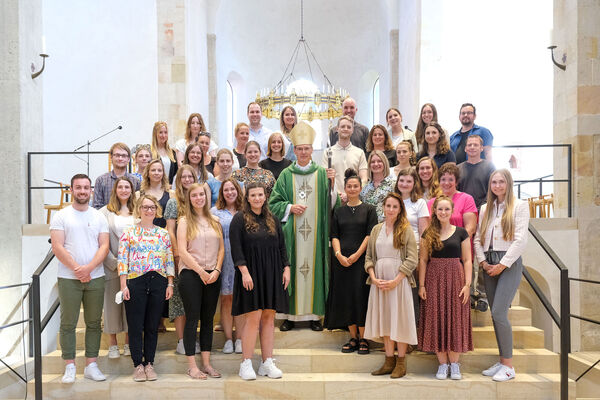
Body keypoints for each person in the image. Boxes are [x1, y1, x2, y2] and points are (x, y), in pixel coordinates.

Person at [269, 122, 339, 331]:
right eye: (299, 148)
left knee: (313, 270)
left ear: (311, 150)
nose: (302, 152)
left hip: (316, 235)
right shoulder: (285, 175)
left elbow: (332, 203)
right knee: (293, 270)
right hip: (292, 236)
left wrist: (333, 185)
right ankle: (291, 316)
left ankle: (315, 316)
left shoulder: (321, 173)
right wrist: (290, 207)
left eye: (306, 148)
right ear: (295, 150)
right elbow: (273, 203)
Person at [50, 174, 110, 383]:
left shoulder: (98, 216)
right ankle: (70, 366)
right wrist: (77, 269)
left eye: (86, 187)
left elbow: (104, 245)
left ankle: (91, 365)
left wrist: (89, 268)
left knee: (94, 322)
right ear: (72, 189)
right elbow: (57, 246)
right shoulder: (61, 216)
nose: (82, 191)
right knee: (68, 322)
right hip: (68, 277)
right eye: (78, 187)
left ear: (91, 190)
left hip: (96, 276)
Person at [230, 183, 291, 380]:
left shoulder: (272, 218)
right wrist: (244, 272)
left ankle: (267, 362)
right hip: (250, 275)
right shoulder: (239, 219)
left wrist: (286, 268)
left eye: (260, 195)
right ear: (247, 198)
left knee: (269, 318)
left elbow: (281, 246)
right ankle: (245, 363)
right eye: (253, 195)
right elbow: (236, 249)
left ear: (265, 197)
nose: (257, 198)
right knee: (253, 318)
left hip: (272, 273)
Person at [474, 169, 529, 382]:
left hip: (509, 262)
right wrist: (483, 262)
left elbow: (521, 240)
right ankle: (502, 360)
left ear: (508, 183)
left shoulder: (519, 206)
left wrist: (502, 264)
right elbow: (478, 239)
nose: (497, 186)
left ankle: (509, 366)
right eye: (494, 182)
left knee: (499, 312)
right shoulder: (486, 208)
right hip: (488, 262)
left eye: (501, 182)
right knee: (495, 315)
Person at [118, 194, 175, 382]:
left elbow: (169, 259)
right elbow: (122, 261)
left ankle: (149, 363)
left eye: (152, 207)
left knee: (152, 326)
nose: (149, 210)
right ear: (139, 209)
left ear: (156, 210)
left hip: (158, 281)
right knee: (135, 326)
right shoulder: (129, 232)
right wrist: (123, 286)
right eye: (145, 207)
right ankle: (137, 365)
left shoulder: (163, 233)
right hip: (135, 281)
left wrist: (170, 283)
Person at [418, 196, 473, 380]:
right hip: (434, 278)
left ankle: (455, 365)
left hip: (456, 279)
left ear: (452, 211)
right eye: (439, 209)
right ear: (434, 211)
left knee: (455, 317)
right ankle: (442, 364)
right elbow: (423, 260)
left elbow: (467, 260)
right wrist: (422, 285)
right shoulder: (428, 234)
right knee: (437, 317)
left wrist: (467, 284)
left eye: (446, 209)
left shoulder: (461, 233)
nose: (443, 212)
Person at [364, 193, 418, 379]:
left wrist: (396, 280)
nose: (391, 209)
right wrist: (373, 277)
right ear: (383, 207)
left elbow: (412, 258)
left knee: (399, 320)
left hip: (398, 281)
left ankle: (401, 362)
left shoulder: (405, 229)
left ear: (400, 209)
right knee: (386, 319)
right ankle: (388, 361)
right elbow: (369, 257)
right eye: (388, 206)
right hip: (379, 281)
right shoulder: (376, 229)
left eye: (395, 206)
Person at [325, 169, 378, 355]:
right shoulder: (339, 211)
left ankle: (364, 338)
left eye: (356, 186)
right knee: (346, 298)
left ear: (360, 188)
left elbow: (369, 235)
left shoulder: (370, 209)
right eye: (349, 186)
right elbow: (334, 235)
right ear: (345, 189)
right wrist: (339, 255)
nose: (353, 188)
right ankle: (353, 337)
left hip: (361, 260)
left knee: (360, 298)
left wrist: (356, 255)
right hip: (342, 261)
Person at [177, 183, 224, 379]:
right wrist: (201, 272)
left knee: (207, 319)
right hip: (191, 275)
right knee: (192, 318)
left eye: (201, 195)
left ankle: (206, 363)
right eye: (194, 195)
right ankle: (192, 366)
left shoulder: (215, 220)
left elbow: (221, 249)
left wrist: (217, 270)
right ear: (189, 198)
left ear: (206, 197)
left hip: (213, 274)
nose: (198, 198)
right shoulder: (184, 221)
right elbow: (182, 250)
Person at [164, 165, 199, 355]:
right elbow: (170, 230)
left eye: (190, 176)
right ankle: (181, 340)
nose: (186, 179)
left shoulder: (199, 199)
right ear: (178, 180)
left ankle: (192, 337)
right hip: (179, 256)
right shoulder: (173, 202)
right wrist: (177, 254)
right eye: (183, 177)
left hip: (198, 256)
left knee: (194, 300)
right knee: (178, 299)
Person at [99, 177, 135, 359]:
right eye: (120, 187)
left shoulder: (138, 211)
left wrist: (133, 264)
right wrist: (114, 263)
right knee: (112, 305)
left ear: (132, 189)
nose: (123, 190)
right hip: (112, 265)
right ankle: (113, 343)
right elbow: (100, 241)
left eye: (127, 187)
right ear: (115, 189)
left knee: (131, 307)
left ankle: (129, 342)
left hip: (135, 267)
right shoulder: (105, 212)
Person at [211, 178, 245, 355]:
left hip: (242, 260)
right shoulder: (214, 212)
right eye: (226, 190)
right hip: (223, 259)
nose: (230, 192)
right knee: (226, 300)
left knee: (240, 300)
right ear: (221, 193)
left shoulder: (245, 210)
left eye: (233, 189)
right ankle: (228, 340)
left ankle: (239, 338)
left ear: (238, 191)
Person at [394, 167, 430, 327]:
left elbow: (424, 233)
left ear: (414, 183)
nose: (404, 184)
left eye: (409, 181)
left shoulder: (420, 203)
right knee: (396, 296)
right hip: (393, 253)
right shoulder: (393, 200)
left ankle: (410, 337)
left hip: (412, 253)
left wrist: (421, 259)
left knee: (410, 295)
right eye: (402, 180)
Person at [427, 163, 477, 238]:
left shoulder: (467, 199)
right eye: (443, 179)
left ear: (456, 182)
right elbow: (429, 228)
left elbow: (470, 229)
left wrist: (454, 243)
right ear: (439, 181)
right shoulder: (431, 202)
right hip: (438, 245)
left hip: (460, 246)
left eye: (451, 179)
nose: (446, 183)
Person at [322, 116, 368, 196]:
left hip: (354, 198)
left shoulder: (360, 152)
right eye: (342, 126)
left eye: (349, 127)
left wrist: (351, 194)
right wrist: (338, 195)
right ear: (337, 129)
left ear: (352, 130)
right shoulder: (327, 152)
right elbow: (325, 177)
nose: (345, 129)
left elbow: (364, 179)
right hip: (334, 199)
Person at [92, 143, 141, 209]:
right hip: (106, 218)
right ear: (111, 157)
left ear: (129, 159)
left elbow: (139, 206)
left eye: (124, 156)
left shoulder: (136, 181)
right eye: (117, 155)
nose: (120, 158)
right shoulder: (101, 180)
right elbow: (97, 207)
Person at [458, 135, 495, 210]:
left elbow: (492, 190)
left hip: (485, 210)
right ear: (465, 149)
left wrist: (483, 208)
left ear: (481, 148)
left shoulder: (490, 167)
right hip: (463, 210)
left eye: (475, 145)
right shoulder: (457, 168)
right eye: (469, 145)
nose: (472, 147)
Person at [360, 150, 396, 222]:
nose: (376, 164)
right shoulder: (364, 188)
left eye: (379, 161)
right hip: (368, 228)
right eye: (372, 162)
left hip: (387, 226)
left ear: (385, 163)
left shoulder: (393, 185)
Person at [136, 159, 171, 229]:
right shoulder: (138, 195)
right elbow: (136, 217)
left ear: (163, 173)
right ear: (148, 173)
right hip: (143, 234)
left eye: (159, 170)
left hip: (164, 235)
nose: (156, 173)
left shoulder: (171, 194)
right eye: (153, 170)